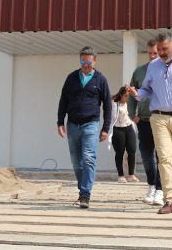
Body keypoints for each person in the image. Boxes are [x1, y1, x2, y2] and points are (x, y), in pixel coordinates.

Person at [126, 31, 172, 214]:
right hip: (158, 117)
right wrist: (136, 94)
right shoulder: (153, 67)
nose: (161, 52)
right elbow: (146, 90)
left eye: (164, 49)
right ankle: (168, 198)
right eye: (158, 49)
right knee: (164, 158)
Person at [57, 46, 112, 209]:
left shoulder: (100, 79)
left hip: (91, 124)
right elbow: (63, 101)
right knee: (76, 161)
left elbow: (107, 105)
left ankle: (85, 194)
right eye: (83, 61)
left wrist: (105, 128)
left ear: (94, 61)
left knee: (89, 158)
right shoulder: (71, 78)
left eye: (88, 61)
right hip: (73, 125)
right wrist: (60, 122)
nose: (85, 64)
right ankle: (83, 189)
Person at [128, 39, 164, 206]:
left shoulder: (166, 69)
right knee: (147, 156)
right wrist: (132, 114)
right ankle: (151, 185)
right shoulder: (139, 72)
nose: (152, 56)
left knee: (162, 156)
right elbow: (131, 94)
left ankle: (160, 189)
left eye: (155, 53)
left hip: (162, 119)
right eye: (149, 53)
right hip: (143, 119)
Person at [110, 86, 139, 183]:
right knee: (120, 152)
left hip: (129, 127)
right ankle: (121, 175)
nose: (127, 98)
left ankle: (131, 174)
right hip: (118, 129)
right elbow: (113, 116)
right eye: (126, 96)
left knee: (132, 150)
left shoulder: (129, 104)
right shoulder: (114, 104)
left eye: (129, 96)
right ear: (121, 95)